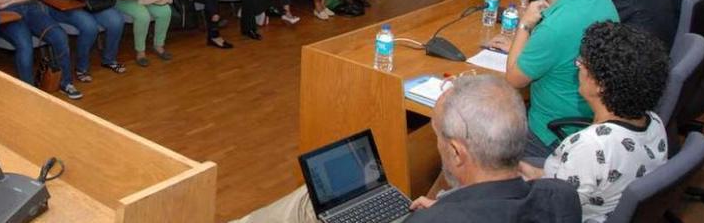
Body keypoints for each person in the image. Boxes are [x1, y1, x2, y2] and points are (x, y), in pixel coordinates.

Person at [234, 75, 582, 223]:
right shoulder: (562, 196)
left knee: (306, 202)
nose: (437, 144)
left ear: (458, 153)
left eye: (438, 136)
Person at [518, 22, 669, 223]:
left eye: (581, 64)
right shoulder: (654, 121)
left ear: (600, 85)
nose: (578, 69)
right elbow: (577, 180)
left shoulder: (590, 146)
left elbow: (550, 209)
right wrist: (539, 175)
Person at [488, 0, 619, 158]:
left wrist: (525, 26)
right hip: (594, 117)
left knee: (478, 139)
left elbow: (513, 79)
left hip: (552, 134)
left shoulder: (556, 28)